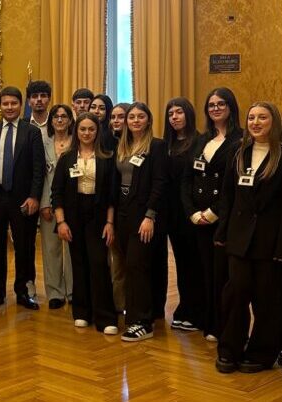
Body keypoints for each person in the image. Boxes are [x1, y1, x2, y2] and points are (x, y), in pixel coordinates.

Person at [214, 102, 282, 374]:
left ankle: (262, 354)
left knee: (266, 300)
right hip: (238, 239)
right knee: (235, 293)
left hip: (270, 242)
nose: (256, 122)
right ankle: (229, 349)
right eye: (251, 117)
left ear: (273, 122)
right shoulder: (238, 153)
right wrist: (222, 232)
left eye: (262, 117)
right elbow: (227, 197)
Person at [0, 86, 46, 310]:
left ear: (20, 104)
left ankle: (23, 292)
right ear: (0, 105)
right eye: (5, 103)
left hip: (22, 199)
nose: (9, 107)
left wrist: (35, 196)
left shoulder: (31, 132)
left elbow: (38, 168)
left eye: (13, 103)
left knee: (24, 247)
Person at [181, 87, 242, 342]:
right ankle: (207, 320)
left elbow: (235, 185)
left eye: (221, 104)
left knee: (222, 276)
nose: (215, 108)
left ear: (231, 107)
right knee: (204, 272)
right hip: (198, 220)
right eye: (211, 105)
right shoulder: (200, 139)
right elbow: (186, 180)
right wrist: (192, 213)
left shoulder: (241, 140)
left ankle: (223, 325)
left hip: (222, 219)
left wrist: (213, 213)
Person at [52, 113, 118, 333]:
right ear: (76, 131)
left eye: (91, 129)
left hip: (98, 217)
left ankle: (106, 317)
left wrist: (110, 223)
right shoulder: (67, 158)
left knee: (99, 264)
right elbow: (57, 192)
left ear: (97, 132)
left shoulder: (107, 158)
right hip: (73, 216)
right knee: (78, 264)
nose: (87, 133)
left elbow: (111, 196)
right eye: (83, 129)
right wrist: (61, 222)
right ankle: (81, 312)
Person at [113, 102, 168, 341]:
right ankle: (134, 315)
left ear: (148, 120)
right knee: (129, 264)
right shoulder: (122, 146)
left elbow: (160, 183)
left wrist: (150, 216)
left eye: (140, 116)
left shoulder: (156, 146)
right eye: (131, 117)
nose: (135, 120)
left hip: (143, 215)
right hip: (123, 214)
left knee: (138, 266)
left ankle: (142, 322)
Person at [163, 98, 203, 331]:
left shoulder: (199, 141)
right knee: (181, 262)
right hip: (172, 213)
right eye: (171, 114)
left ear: (188, 114)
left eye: (179, 112)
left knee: (194, 263)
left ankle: (197, 310)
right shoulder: (167, 144)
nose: (175, 117)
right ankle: (185, 306)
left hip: (192, 212)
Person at [40, 104, 75, 309]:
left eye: (64, 116)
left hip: (71, 204)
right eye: (56, 116)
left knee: (71, 248)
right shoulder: (43, 142)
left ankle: (72, 290)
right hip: (48, 203)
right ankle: (55, 292)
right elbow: (40, 175)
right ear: (51, 121)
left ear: (70, 120)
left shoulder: (77, 142)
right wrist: (45, 202)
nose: (60, 120)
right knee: (50, 248)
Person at [107, 102, 130, 312]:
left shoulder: (143, 144)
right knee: (118, 262)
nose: (116, 121)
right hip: (114, 209)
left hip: (136, 211)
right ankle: (118, 304)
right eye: (113, 117)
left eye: (121, 117)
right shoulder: (108, 144)